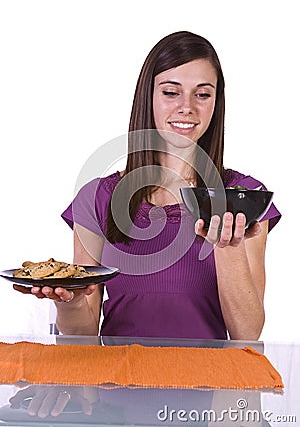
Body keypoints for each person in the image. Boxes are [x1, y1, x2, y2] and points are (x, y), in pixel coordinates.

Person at [14, 31, 281, 340]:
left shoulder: (243, 198)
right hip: (116, 383)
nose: (187, 106)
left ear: (216, 103)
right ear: (148, 96)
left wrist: (227, 246)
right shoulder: (97, 199)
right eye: (171, 92)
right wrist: (70, 303)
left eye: (203, 94)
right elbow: (83, 334)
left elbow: (247, 334)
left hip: (210, 384)